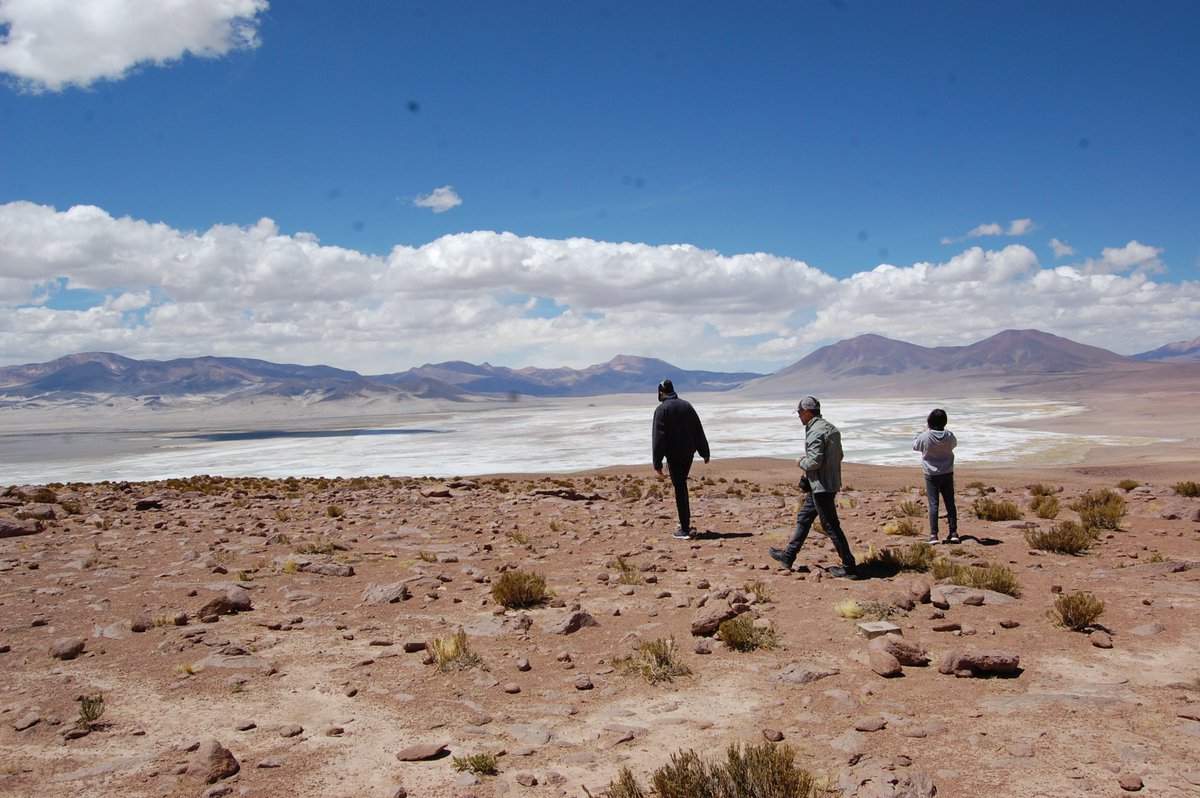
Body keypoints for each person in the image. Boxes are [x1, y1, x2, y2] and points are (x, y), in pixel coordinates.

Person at [768, 395, 859, 578]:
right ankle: (788, 555)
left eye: (800, 412)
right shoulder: (831, 429)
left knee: (831, 525)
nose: (799, 416)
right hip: (825, 483)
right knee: (804, 517)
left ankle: (849, 566)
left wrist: (801, 462)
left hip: (821, 486)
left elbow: (815, 461)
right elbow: (838, 456)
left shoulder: (816, 431)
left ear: (808, 412)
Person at [652, 379, 710, 539]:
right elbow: (698, 429)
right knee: (682, 485)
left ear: (660, 393)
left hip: (674, 456)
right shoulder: (686, 406)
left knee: (680, 488)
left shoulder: (661, 409)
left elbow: (658, 438)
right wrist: (704, 451)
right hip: (688, 454)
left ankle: (684, 528)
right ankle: (684, 521)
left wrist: (657, 462)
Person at [913, 408, 959, 544]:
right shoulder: (949, 435)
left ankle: (934, 535)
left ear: (930, 422)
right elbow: (954, 444)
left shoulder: (926, 436)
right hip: (947, 472)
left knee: (933, 504)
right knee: (950, 503)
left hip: (931, 474)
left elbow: (915, 446)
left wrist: (920, 433)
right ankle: (954, 532)